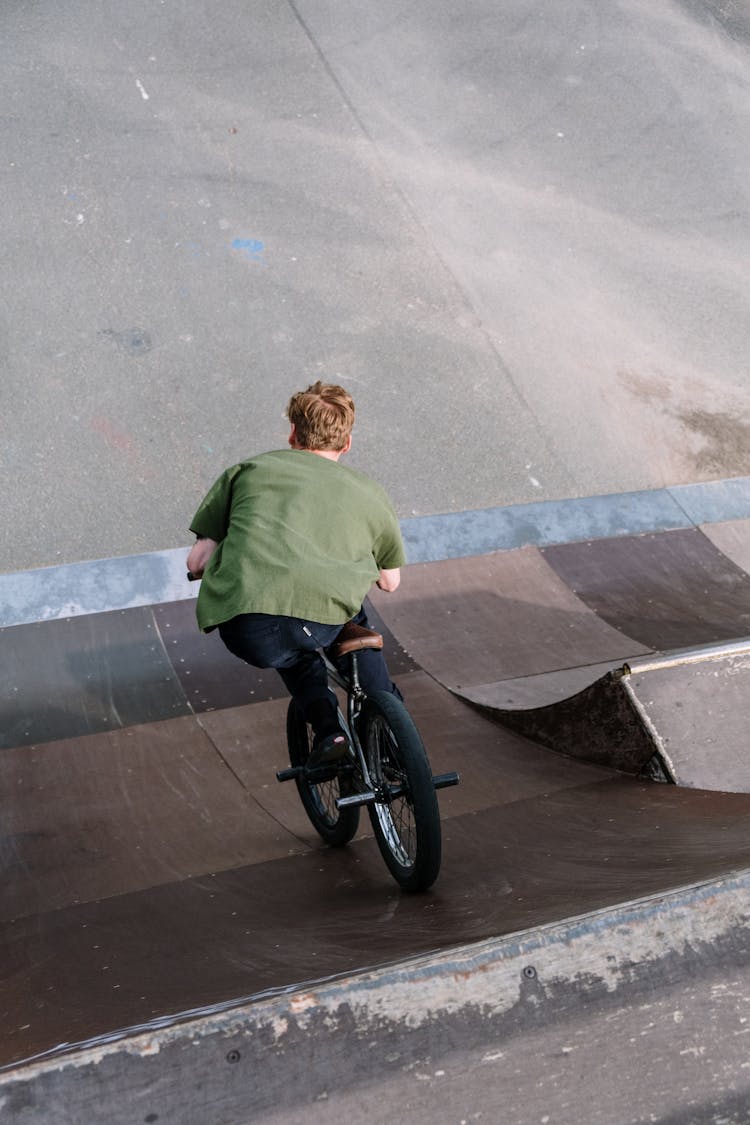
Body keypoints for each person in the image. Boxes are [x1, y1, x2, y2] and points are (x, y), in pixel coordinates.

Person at [187, 381, 406, 768]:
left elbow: (197, 562)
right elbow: (390, 582)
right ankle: (391, 731)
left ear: (292, 433)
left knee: (294, 656)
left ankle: (328, 730)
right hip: (321, 618)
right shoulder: (369, 493)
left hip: (248, 625)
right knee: (351, 614)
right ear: (347, 443)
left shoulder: (246, 472)